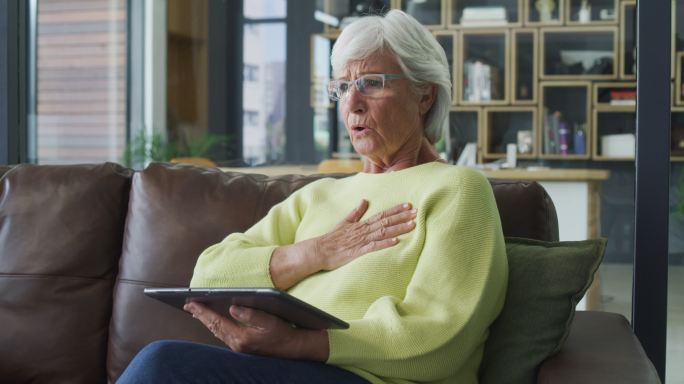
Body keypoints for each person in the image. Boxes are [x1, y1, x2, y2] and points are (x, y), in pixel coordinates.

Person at [118, 9, 507, 384]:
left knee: (163, 364)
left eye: (372, 83)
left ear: (425, 95)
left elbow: (441, 339)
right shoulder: (317, 196)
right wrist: (315, 253)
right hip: (283, 368)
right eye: (342, 87)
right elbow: (208, 274)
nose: (351, 103)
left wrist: (297, 343)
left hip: (371, 378)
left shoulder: (457, 190)